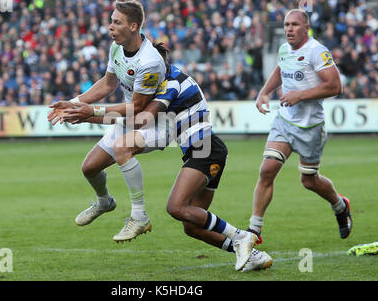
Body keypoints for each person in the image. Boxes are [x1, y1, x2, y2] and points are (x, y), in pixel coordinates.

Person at [59, 46, 266, 272]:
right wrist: (86, 115)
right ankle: (252, 255)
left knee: (176, 207)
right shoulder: (161, 82)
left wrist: (91, 112)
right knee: (191, 226)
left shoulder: (171, 82)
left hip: (205, 150)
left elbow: (141, 119)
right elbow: (131, 119)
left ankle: (241, 236)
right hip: (201, 151)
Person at [47, 0, 167, 242]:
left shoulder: (150, 61)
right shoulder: (116, 48)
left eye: (116, 22)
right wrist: (74, 103)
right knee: (89, 168)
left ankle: (139, 217)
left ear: (133, 26)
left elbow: (139, 107)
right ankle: (104, 202)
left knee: (123, 148)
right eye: (111, 21)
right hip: (127, 119)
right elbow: (108, 84)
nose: (110, 26)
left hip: (157, 122)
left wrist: (91, 111)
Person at [246, 9, 352, 244]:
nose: (289, 29)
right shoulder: (284, 49)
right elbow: (280, 69)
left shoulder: (317, 51)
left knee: (309, 180)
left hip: (310, 127)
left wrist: (300, 95)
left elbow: (335, 86)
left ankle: (339, 205)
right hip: (284, 121)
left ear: (306, 28)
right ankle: (254, 231)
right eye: (286, 25)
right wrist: (264, 92)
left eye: (294, 24)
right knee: (267, 170)